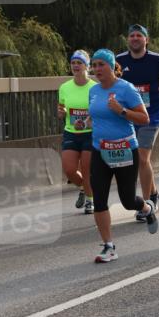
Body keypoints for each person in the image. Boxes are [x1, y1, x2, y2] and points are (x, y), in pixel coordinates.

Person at [88, 49, 159, 263]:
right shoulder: (94, 91)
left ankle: (147, 208)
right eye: (95, 64)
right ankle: (109, 246)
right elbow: (96, 114)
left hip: (125, 150)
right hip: (100, 150)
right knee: (99, 199)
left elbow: (144, 118)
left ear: (112, 67)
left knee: (128, 201)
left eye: (102, 64)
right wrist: (91, 123)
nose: (97, 69)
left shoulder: (125, 89)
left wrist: (121, 111)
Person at [116, 23, 159, 221]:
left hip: (151, 116)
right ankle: (154, 193)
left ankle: (146, 203)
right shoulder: (119, 60)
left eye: (139, 36)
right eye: (132, 36)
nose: (135, 38)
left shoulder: (157, 60)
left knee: (142, 158)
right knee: (139, 159)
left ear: (146, 40)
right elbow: (110, 80)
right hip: (127, 116)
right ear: (128, 40)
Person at [57, 50, 95, 214]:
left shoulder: (95, 87)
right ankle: (83, 188)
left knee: (87, 170)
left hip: (90, 133)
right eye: (73, 63)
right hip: (71, 132)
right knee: (70, 170)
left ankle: (90, 200)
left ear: (87, 66)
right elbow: (61, 107)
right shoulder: (64, 87)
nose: (75, 66)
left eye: (79, 63)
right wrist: (61, 112)